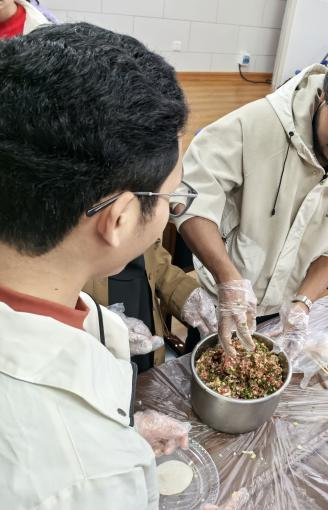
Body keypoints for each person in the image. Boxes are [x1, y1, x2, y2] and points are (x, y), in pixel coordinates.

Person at [0, 23, 195, 507]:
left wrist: (121, 427)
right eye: (172, 196)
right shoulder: (91, 477)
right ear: (121, 218)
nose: (173, 208)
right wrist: (112, 451)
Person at [175, 38, 328, 357]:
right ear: (325, 94)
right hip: (222, 292)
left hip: (283, 305)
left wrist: (303, 303)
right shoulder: (256, 124)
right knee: (198, 364)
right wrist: (227, 279)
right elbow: (191, 196)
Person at [83, 240, 217, 371]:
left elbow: (155, 258)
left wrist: (183, 290)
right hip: (92, 344)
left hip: (143, 305)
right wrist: (96, 323)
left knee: (146, 366)